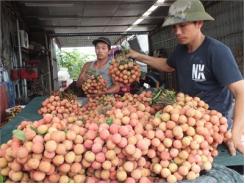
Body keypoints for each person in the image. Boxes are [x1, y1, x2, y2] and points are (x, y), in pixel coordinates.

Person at [126, 0, 244, 155]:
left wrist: (235, 134)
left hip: (212, 126)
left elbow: (241, 92)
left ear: (199, 23)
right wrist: (139, 57)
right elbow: (167, 65)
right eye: (174, 27)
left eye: (183, 25)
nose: (177, 32)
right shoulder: (180, 51)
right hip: (184, 119)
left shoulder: (217, 51)